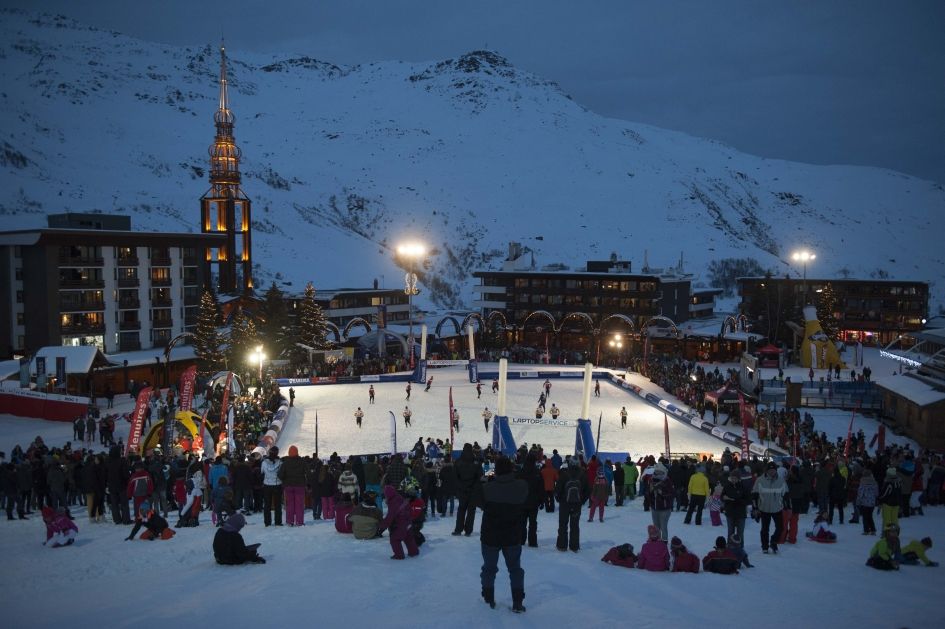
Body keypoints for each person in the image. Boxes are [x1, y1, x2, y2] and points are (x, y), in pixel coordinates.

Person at [478, 456, 528, 612]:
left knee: (489, 568)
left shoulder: (487, 488)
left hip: (490, 535)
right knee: (515, 569)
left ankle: (488, 599)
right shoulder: (521, 486)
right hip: (512, 535)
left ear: (496, 470)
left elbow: (479, 502)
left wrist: (487, 480)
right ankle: (518, 602)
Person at [752, 462, 786, 554]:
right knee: (765, 529)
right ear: (766, 470)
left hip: (777, 508)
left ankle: (773, 542)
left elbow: (785, 493)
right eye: (770, 470)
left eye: (773, 470)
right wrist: (755, 508)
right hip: (764, 508)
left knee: (780, 528)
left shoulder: (781, 480)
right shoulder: (760, 480)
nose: (772, 472)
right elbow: (754, 494)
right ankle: (765, 546)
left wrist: (787, 504)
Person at [555, 460, 589, 552]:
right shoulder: (582, 475)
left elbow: (557, 489)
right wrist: (582, 501)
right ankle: (574, 546)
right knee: (575, 525)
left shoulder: (564, 474)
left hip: (564, 504)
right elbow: (588, 490)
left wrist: (559, 499)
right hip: (577, 504)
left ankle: (562, 546)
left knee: (563, 524)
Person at [379, 485, 419, 560]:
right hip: (408, 522)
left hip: (401, 524)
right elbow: (410, 510)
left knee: (394, 539)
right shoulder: (400, 498)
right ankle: (414, 552)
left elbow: (389, 517)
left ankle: (399, 555)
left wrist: (382, 526)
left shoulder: (393, 503)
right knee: (409, 538)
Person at [452, 444, 483, 536]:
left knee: (461, 510)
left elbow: (454, 477)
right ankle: (468, 530)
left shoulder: (458, 462)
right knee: (471, 511)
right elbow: (480, 476)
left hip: (462, 490)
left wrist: (460, 487)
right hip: (473, 490)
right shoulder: (476, 462)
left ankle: (458, 529)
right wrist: (474, 487)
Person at [279, 445, 307, 526]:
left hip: (288, 486)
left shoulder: (285, 462)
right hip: (300, 485)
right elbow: (308, 472)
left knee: (289, 504)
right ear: (297, 452)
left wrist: (284, 480)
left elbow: (280, 475)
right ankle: (299, 521)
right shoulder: (302, 461)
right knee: (299, 504)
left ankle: (289, 521)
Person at [648, 463, 674, 541]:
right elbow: (648, 495)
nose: (657, 474)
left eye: (660, 472)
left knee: (663, 527)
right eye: (656, 472)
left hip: (664, 509)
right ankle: (656, 542)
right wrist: (650, 491)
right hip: (654, 508)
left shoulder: (667, 481)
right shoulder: (651, 480)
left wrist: (660, 492)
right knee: (656, 527)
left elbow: (671, 494)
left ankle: (664, 542)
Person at [261, 446, 283, 527]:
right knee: (277, 504)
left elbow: (262, 472)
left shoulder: (264, 462)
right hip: (277, 485)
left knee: (267, 505)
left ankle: (267, 522)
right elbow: (281, 474)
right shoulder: (280, 462)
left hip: (267, 485)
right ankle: (278, 522)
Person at [856, 468, 878, 535]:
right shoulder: (874, 483)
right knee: (870, 516)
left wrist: (858, 501)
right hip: (872, 503)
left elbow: (860, 494)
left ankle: (866, 530)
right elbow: (876, 493)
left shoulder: (862, 483)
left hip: (864, 503)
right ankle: (873, 529)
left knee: (865, 517)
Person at [879, 467, 901, 532]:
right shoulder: (898, 482)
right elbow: (900, 493)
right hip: (896, 503)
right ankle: (895, 531)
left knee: (887, 519)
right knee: (895, 519)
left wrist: (880, 499)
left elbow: (884, 494)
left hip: (888, 503)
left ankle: (886, 532)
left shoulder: (889, 483)